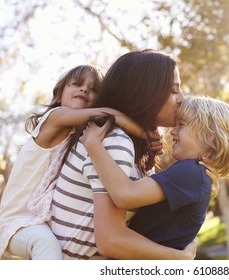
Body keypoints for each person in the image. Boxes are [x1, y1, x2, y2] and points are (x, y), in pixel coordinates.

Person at [50, 49, 198, 259]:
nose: (182, 99)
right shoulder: (114, 141)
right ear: (146, 92)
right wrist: (179, 258)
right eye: (174, 90)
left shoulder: (126, 143)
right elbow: (111, 242)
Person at [0, 65, 149, 260]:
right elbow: (109, 114)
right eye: (76, 84)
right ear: (60, 94)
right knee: (46, 244)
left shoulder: (78, 137)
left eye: (93, 89)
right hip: (17, 222)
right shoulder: (54, 118)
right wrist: (146, 135)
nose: (84, 89)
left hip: (41, 221)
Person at [80, 95, 229, 249]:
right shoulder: (197, 175)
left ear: (210, 137)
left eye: (181, 125)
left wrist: (93, 144)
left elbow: (125, 195)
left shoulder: (191, 172)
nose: (172, 131)